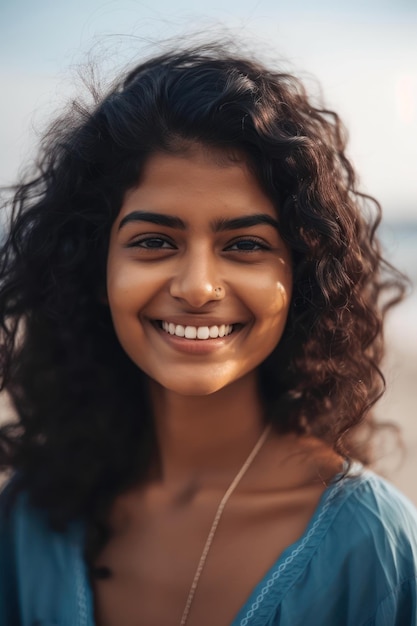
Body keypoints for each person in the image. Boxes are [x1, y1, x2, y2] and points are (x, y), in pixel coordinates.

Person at [0, 40, 416, 626]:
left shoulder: (374, 547)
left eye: (245, 245)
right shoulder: (28, 523)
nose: (198, 287)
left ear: (301, 276)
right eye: (154, 242)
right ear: (95, 270)